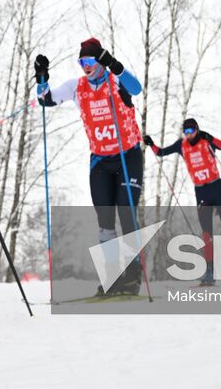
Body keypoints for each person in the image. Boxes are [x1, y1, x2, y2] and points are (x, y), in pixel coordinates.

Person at [34, 38, 144, 297]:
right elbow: (46, 100)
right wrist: (41, 78)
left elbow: (136, 88)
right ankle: (111, 277)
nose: (86, 66)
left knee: (127, 214)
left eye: (91, 61)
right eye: (82, 62)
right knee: (105, 221)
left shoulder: (115, 80)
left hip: (128, 156)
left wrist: (114, 65)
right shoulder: (77, 86)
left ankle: (133, 276)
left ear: (101, 61)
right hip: (100, 161)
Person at [145, 117, 221, 285]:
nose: (188, 134)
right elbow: (161, 152)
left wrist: (212, 138)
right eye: (185, 131)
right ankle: (209, 272)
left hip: (217, 187)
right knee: (206, 233)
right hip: (201, 191)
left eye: (191, 131)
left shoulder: (205, 140)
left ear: (197, 129)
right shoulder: (181, 145)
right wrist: (150, 143)